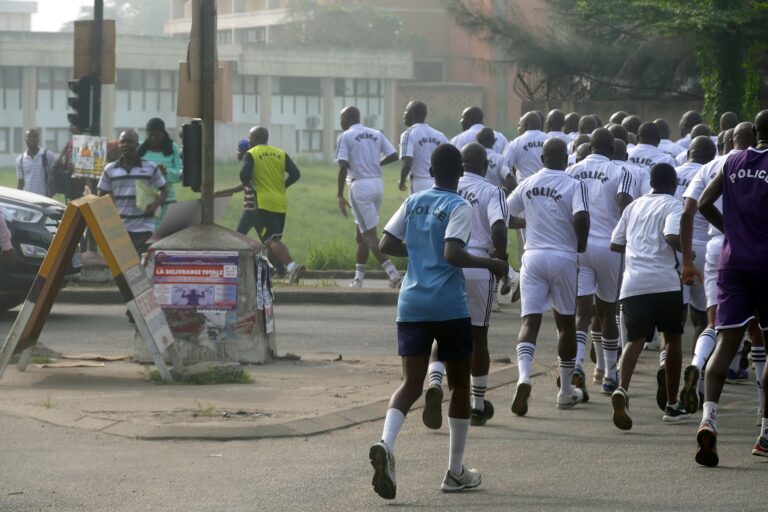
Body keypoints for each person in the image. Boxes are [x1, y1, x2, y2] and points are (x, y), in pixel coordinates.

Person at [369, 144, 507, 499]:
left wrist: (417, 251)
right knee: (460, 385)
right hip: (448, 307)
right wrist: (491, 264)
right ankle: (455, 471)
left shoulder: (414, 201)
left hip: (411, 304)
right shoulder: (458, 205)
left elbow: (387, 242)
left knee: (411, 382)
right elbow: (452, 252)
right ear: (459, 172)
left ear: (429, 169)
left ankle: (386, 443)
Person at [694, 110, 768, 465]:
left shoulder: (732, 160)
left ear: (755, 132)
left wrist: (732, 230)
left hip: (732, 260)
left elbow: (703, 204)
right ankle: (765, 433)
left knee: (726, 342)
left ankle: (708, 418)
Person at [422, 143, 510, 429]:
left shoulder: (448, 188)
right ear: (485, 166)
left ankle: (435, 381)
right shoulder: (491, 190)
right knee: (478, 335)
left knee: (441, 330)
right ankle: (478, 403)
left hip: (448, 262)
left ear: (461, 165)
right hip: (479, 266)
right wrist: (501, 257)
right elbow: (499, 226)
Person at [507, 138, 590, 415]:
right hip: (563, 256)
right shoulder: (574, 184)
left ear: (542, 158)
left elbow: (504, 216)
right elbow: (581, 217)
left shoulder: (527, 184)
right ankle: (565, 392)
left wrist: (528, 222)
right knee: (566, 323)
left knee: (530, 321)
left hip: (532, 256)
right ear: (565, 158)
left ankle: (523, 377)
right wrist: (580, 244)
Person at [680, 123, 757, 414]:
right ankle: (762, 413)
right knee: (757, 329)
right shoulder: (756, 163)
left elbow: (690, 211)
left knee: (715, 323)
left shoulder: (709, 168)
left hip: (714, 249)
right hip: (750, 245)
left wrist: (687, 259)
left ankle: (698, 367)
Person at [609, 163, 690, 430]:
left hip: (633, 283)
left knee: (634, 341)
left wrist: (637, 247)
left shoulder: (634, 206)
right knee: (673, 340)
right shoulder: (673, 204)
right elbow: (670, 234)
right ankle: (671, 403)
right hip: (664, 281)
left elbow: (615, 242)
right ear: (674, 183)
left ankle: (622, 389)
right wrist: (689, 256)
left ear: (651, 182)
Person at [567, 128, 633, 395]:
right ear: (613, 149)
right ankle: (610, 375)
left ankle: (578, 365)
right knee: (607, 312)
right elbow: (624, 204)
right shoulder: (621, 171)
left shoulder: (573, 170)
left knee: (582, 312)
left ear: (590, 146)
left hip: (580, 245)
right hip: (609, 246)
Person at [335, 106, 402, 288]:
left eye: (341, 118)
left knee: (370, 236)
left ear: (348, 119)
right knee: (361, 236)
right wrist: (376, 163)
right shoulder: (375, 133)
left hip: (360, 186)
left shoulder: (345, 136)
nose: (340, 122)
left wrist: (340, 194)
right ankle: (358, 280)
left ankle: (393, 274)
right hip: (377, 185)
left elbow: (342, 166)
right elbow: (394, 155)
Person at [236, 126, 306, 284]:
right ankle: (263, 277)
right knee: (272, 241)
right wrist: (283, 186)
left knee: (271, 241)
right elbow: (296, 174)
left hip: (263, 202)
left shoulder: (251, 154)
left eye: (250, 137)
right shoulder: (280, 153)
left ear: (253, 139)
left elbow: (243, 175)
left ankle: (292, 267)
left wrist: (250, 185)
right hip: (281, 202)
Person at [97, 130, 167, 254]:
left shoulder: (150, 167)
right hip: (120, 228)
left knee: (142, 266)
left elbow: (164, 191)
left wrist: (155, 205)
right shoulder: (110, 169)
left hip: (144, 228)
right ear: (119, 145)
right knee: (124, 268)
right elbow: (101, 196)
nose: (125, 145)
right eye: (123, 142)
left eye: (129, 142)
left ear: (137, 145)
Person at [137, 118, 182, 226]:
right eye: (150, 135)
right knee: (148, 235)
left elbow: (181, 173)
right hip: (145, 201)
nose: (153, 138)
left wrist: (166, 172)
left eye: (157, 135)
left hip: (167, 200)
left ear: (163, 133)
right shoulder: (140, 148)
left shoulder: (172, 147)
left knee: (165, 235)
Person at [398, 100, 448, 193]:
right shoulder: (439, 135)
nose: (404, 114)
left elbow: (407, 163)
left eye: (406, 111)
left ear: (412, 114)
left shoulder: (408, 134)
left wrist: (402, 180)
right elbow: (451, 158)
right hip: (439, 184)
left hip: (420, 183)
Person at [503, 112, 549, 183]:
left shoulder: (515, 143)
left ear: (526, 125)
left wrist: (512, 184)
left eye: (519, 125)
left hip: (524, 188)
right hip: (548, 187)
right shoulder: (551, 140)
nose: (518, 129)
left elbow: (504, 166)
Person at [16, 129, 55, 197]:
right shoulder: (20, 160)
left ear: (38, 139)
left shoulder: (47, 155)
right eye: (29, 137)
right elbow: (21, 182)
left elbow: (54, 176)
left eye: (34, 136)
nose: (32, 139)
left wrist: (51, 194)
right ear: (25, 139)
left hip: (43, 199)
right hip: (27, 199)